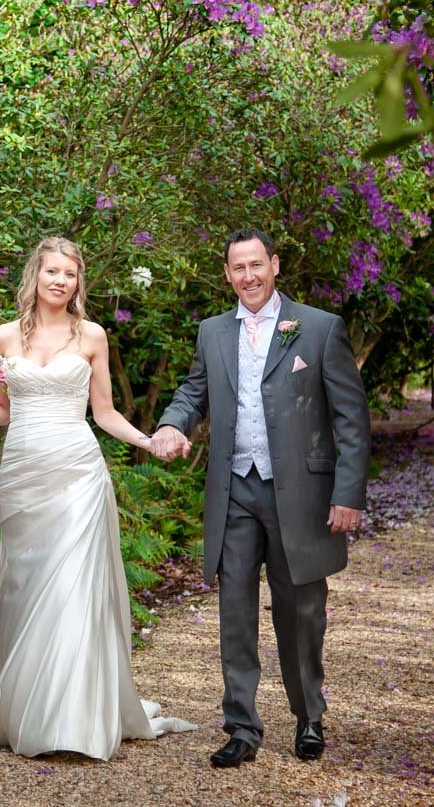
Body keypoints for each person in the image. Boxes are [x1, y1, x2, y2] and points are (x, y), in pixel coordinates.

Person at [150, 228, 370, 768]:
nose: (247, 276)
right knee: (235, 610)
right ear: (226, 274)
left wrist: (348, 493)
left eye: (256, 265)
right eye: (237, 268)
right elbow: (193, 392)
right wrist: (172, 424)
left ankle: (309, 717)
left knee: (301, 612)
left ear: (274, 265)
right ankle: (242, 727)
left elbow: (351, 418)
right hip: (235, 491)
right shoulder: (212, 332)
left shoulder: (318, 329)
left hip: (301, 494)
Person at [0, 236, 196, 760]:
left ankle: (72, 721)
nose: (59, 280)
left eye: (69, 274)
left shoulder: (92, 335)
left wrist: (151, 440)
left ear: (78, 282)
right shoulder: (4, 337)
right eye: (51, 271)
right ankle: (31, 710)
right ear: (36, 274)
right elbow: (2, 410)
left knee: (71, 587)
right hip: (23, 476)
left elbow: (105, 414)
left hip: (77, 473)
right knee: (27, 589)